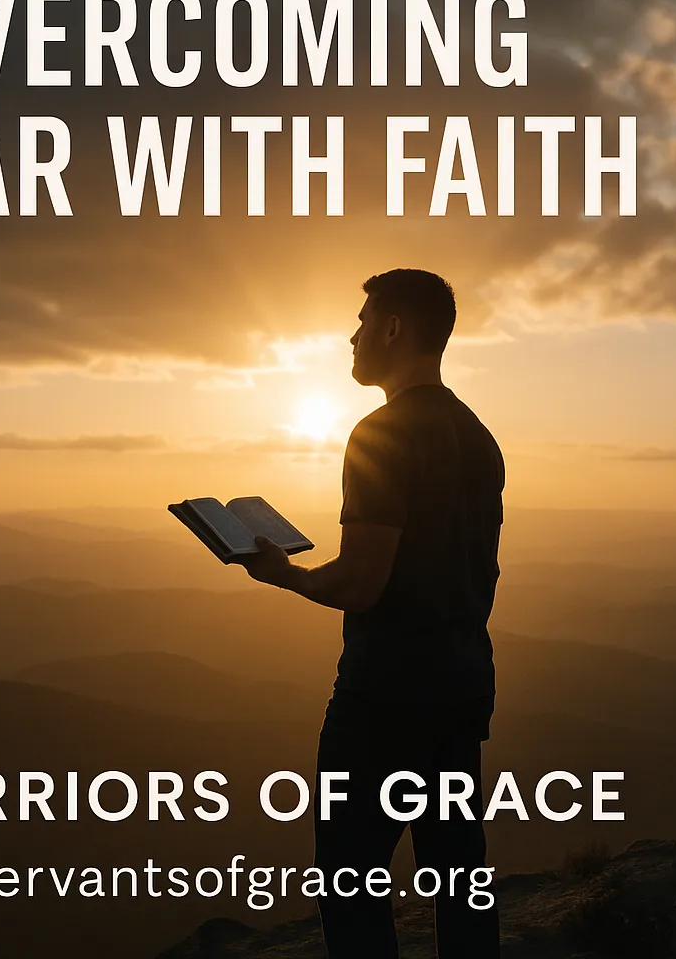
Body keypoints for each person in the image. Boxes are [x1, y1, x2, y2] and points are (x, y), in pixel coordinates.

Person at [240, 268, 504, 958]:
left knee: (351, 881)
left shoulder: (380, 435)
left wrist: (286, 575)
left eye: (362, 322)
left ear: (393, 328)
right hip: (462, 684)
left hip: (387, 694)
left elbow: (362, 583)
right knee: (459, 875)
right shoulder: (477, 436)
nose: (351, 337)